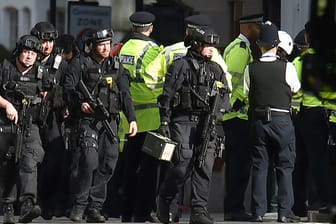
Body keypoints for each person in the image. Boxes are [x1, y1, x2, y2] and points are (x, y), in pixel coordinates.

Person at [156, 26, 231, 224]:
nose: (211, 49)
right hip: (182, 121)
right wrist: (164, 122)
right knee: (182, 166)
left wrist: (218, 116)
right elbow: (167, 96)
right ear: (197, 44)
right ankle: (165, 199)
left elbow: (226, 98)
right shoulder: (181, 66)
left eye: (212, 46)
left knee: (204, 167)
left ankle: (199, 211)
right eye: (207, 45)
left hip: (207, 123)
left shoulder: (216, 69)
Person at [63, 28, 138, 223]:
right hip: (88, 121)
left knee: (108, 162)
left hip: (110, 121)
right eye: (101, 44)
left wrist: (132, 119)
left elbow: (125, 96)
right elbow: (69, 89)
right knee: (89, 161)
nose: (105, 48)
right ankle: (79, 205)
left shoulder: (116, 66)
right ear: (92, 46)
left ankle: (94, 207)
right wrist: (80, 103)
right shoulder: (80, 64)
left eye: (108, 44)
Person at [243, 21, 301, 222]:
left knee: (260, 165)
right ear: (278, 44)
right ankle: (284, 213)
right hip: (282, 119)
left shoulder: (251, 68)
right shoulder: (287, 67)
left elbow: (246, 92)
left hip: (259, 120)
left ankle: (258, 212)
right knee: (285, 166)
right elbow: (295, 88)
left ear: (259, 45)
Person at [118, 11, 163, 222]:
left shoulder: (122, 48)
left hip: (126, 118)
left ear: (134, 27)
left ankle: (126, 212)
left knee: (128, 167)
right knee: (149, 169)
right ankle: (144, 212)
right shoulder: (154, 49)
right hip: (150, 117)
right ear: (150, 28)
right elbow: (159, 80)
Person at [221, 13, 263, 221]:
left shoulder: (238, 46)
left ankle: (233, 207)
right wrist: (240, 102)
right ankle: (234, 208)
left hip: (235, 116)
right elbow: (234, 82)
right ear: (248, 27)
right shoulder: (240, 49)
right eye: (258, 26)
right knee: (239, 166)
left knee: (237, 165)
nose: (260, 29)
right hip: (237, 116)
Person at [0, 34, 46, 223]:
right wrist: (7, 105)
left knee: (29, 160)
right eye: (26, 52)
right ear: (19, 52)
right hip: (6, 124)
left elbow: (48, 93)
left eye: (33, 53)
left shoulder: (40, 73)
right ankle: (7, 207)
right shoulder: (5, 69)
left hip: (30, 125)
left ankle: (28, 204)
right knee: (7, 164)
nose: (29, 56)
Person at [30, 21, 70, 220]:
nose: (47, 46)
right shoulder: (28, 58)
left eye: (51, 41)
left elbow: (68, 87)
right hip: (32, 116)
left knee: (55, 160)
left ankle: (49, 201)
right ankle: (31, 201)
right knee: (32, 159)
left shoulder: (59, 63)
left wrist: (65, 105)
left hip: (53, 116)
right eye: (44, 41)